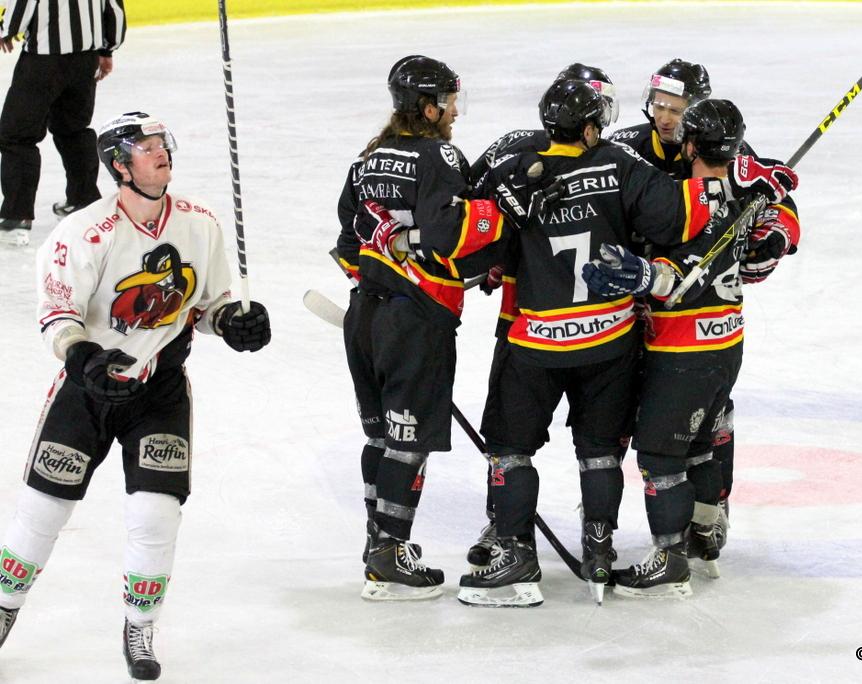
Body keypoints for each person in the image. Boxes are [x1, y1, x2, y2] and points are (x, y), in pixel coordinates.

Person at [457, 80, 795, 607]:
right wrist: (749, 193)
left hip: (545, 340)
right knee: (620, 448)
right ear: (594, 126)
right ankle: (605, 547)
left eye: (676, 109)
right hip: (625, 339)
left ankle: (517, 548)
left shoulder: (513, 166)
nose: (666, 116)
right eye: (660, 106)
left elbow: (465, 244)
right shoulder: (624, 160)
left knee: (514, 448)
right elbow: (686, 213)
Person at [0, 111, 271, 679]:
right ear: (119, 165)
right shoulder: (85, 232)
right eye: (145, 147)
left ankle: (140, 625)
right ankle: (3, 607)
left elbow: (207, 305)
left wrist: (232, 322)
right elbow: (57, 316)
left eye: (161, 143)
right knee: (43, 511)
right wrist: (83, 357)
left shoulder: (199, 223)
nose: (160, 152)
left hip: (160, 390)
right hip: (88, 390)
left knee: (156, 514)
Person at [583, 98, 797, 597]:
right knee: (699, 445)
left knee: (660, 454)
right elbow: (751, 264)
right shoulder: (744, 197)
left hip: (683, 350)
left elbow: (676, 282)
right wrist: (771, 222)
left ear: (691, 145)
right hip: (726, 343)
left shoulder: (687, 202)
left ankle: (669, 559)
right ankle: (704, 537)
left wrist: (639, 274)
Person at [335, 55, 508, 601]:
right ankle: (390, 552)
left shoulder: (367, 159)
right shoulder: (440, 156)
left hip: (364, 315)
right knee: (407, 442)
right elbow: (452, 233)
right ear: (428, 108)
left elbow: (347, 243)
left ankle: (377, 543)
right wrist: (490, 238)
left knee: (381, 436)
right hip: (417, 320)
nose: (454, 112)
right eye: (449, 102)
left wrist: (385, 274)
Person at [463, 63, 619, 568]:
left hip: (528, 322)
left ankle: (508, 531)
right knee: (592, 438)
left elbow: (467, 209)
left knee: (509, 435)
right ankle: (571, 533)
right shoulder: (615, 160)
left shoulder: (517, 150)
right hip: (581, 323)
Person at [0, 0, 126, 247]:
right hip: (85, 59)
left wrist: (6, 29)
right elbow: (115, 9)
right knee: (74, 130)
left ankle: (16, 217)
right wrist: (106, 50)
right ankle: (84, 201)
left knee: (17, 136)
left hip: (44, 61)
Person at [607, 59, 710, 180]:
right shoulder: (622, 145)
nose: (664, 120)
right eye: (659, 107)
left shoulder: (714, 151)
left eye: (675, 111)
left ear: (696, 113)